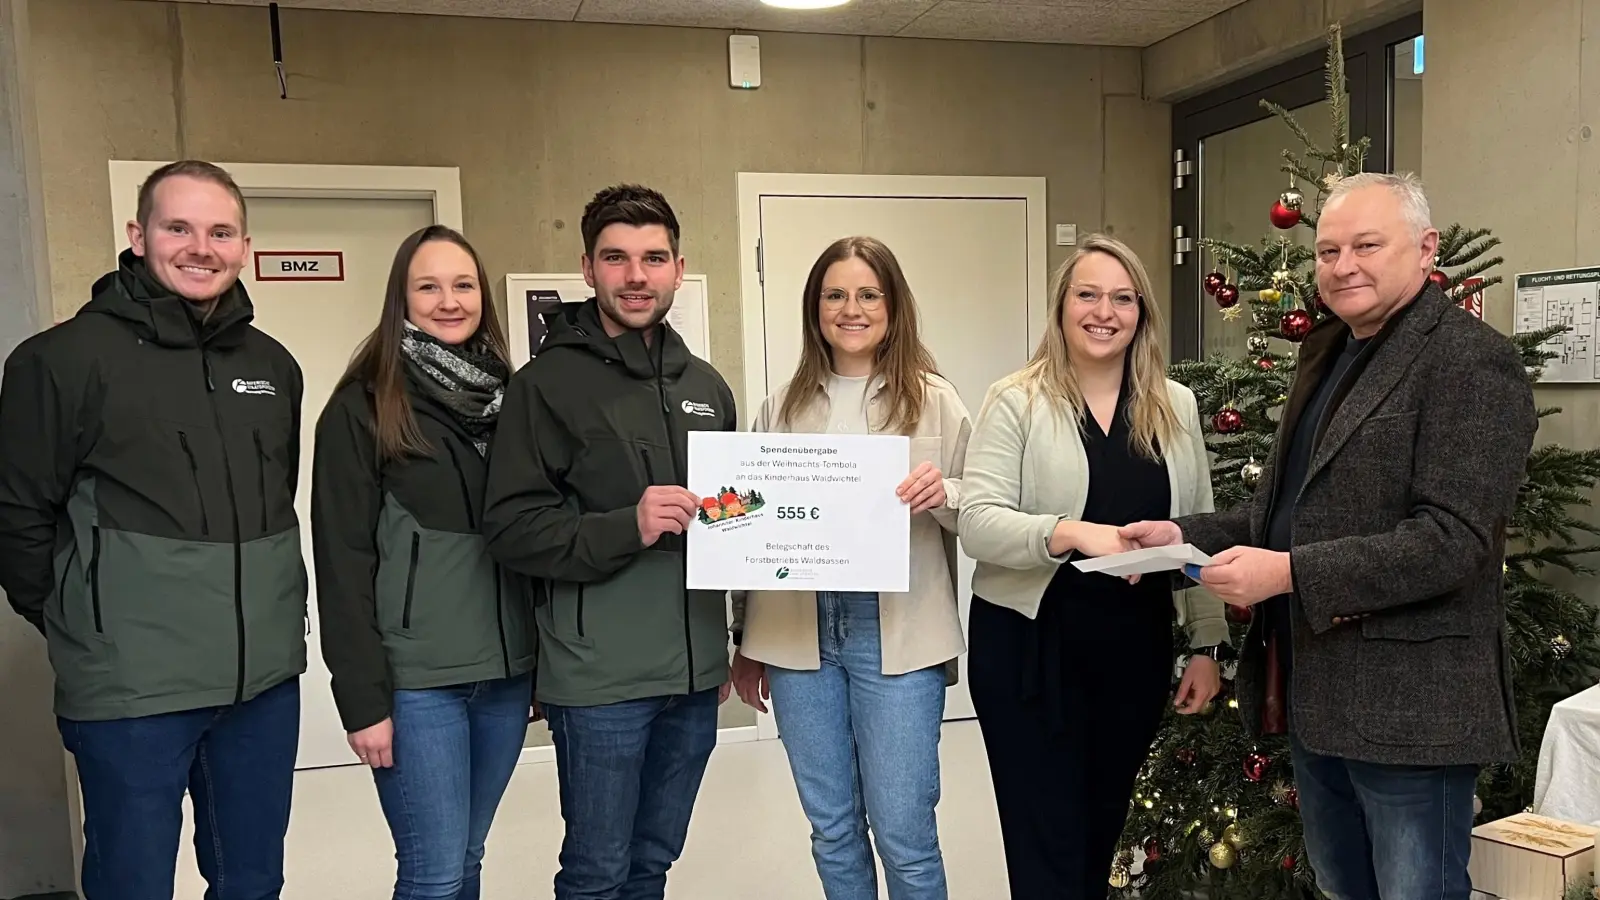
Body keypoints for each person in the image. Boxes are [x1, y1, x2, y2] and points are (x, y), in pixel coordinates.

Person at [1121, 172, 1536, 900]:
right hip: (1319, 696)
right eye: (1328, 250)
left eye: (1367, 245)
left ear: (1426, 248)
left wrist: (1288, 575)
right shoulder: (1328, 352)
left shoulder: (1469, 360)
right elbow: (1287, 513)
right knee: (1343, 888)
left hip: (1414, 709)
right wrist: (1179, 533)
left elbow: (1453, 540)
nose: (1343, 266)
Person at [0, 160, 306, 900]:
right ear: (137, 236)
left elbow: (277, 502)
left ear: (243, 246)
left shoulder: (273, 367)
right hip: (132, 691)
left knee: (253, 880)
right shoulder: (61, 361)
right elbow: (18, 519)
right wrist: (87, 621)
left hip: (260, 684)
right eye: (178, 227)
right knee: (132, 882)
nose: (200, 247)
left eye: (220, 231)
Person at [482, 184, 737, 900]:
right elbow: (511, 526)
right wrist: (629, 523)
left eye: (654, 258)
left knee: (652, 860)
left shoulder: (707, 388)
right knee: (596, 871)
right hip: (598, 681)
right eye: (616, 258)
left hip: (691, 679)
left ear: (678, 269)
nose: (636, 276)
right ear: (587, 269)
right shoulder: (544, 386)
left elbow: (730, 525)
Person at [957, 234, 1225, 899]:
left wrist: (1208, 643)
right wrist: (1073, 534)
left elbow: (1198, 525)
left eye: (1122, 297)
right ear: (1062, 306)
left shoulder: (1176, 405)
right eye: (1088, 294)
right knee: (1044, 837)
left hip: (1132, 650)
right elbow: (977, 523)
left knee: (1102, 827)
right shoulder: (1015, 400)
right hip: (1029, 651)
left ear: (1141, 312)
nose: (1104, 311)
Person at [728, 236, 970, 900]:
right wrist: (746, 641)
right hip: (795, 632)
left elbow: (986, 507)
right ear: (815, 309)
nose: (851, 309)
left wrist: (944, 493)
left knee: (904, 834)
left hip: (894, 633)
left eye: (868, 294)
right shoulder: (780, 408)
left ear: (893, 308)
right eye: (835, 294)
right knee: (832, 829)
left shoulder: (935, 401)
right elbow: (748, 525)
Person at [311, 225, 536, 900]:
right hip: (418, 687)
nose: (448, 300)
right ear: (400, 300)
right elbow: (341, 559)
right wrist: (361, 700)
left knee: (466, 858)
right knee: (434, 873)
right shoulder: (363, 405)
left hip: (504, 678)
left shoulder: (513, 400)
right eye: (428, 286)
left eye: (463, 285)